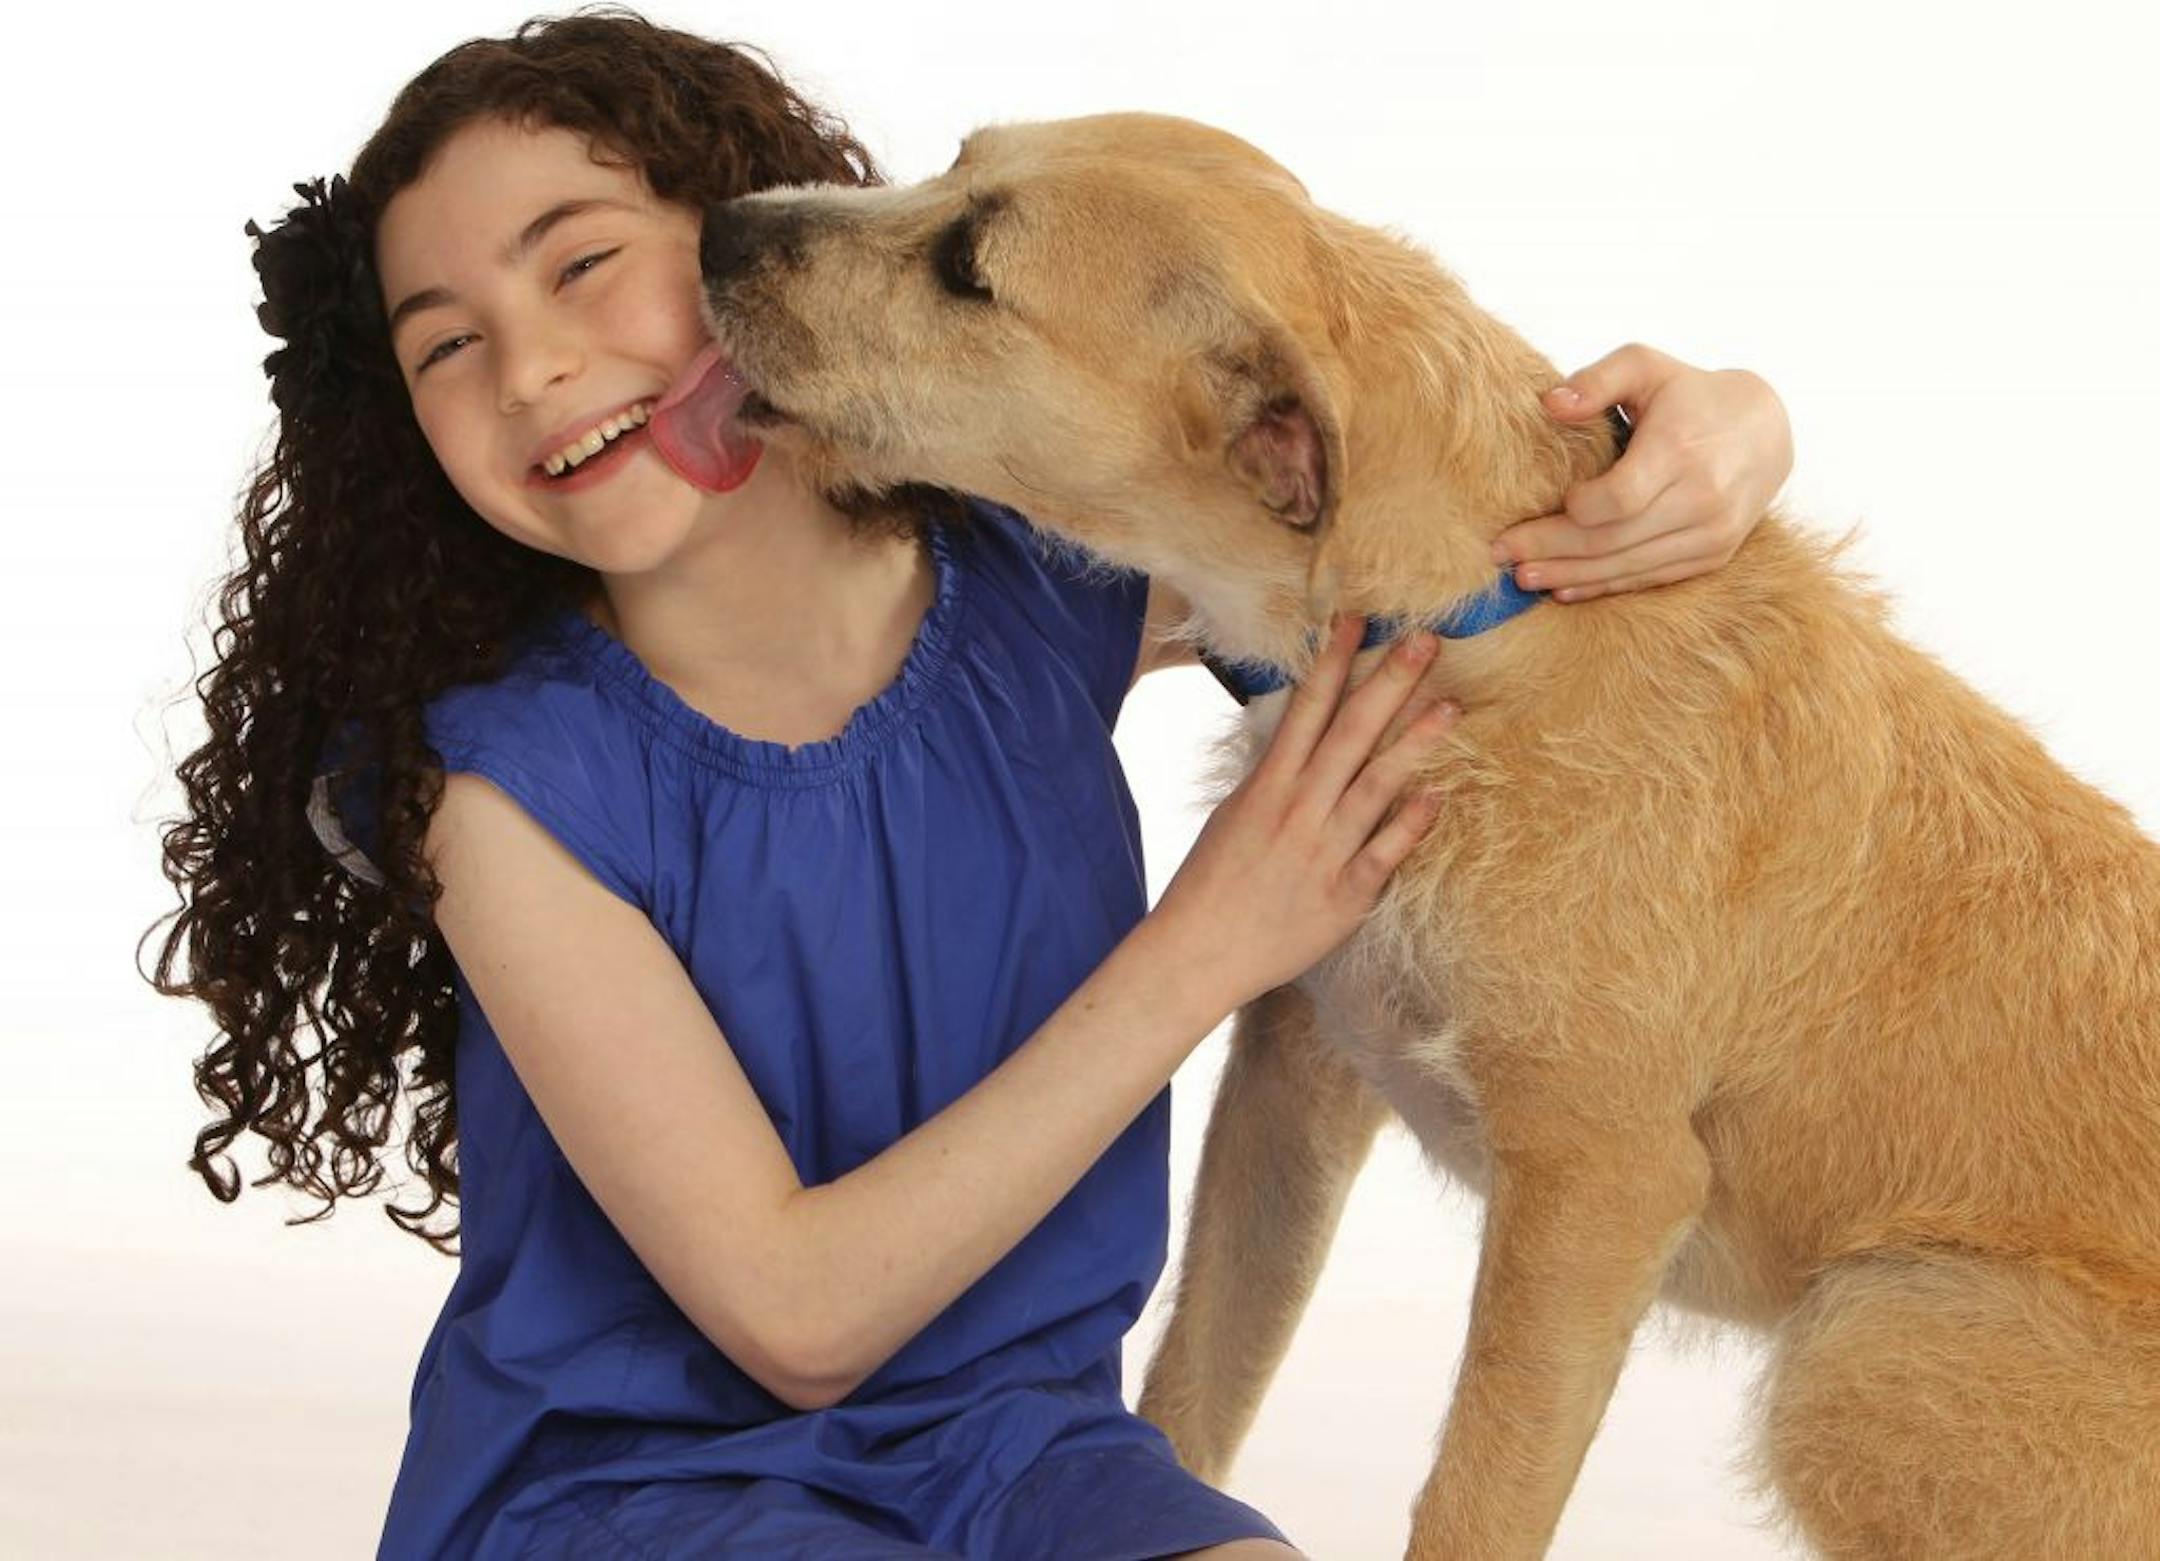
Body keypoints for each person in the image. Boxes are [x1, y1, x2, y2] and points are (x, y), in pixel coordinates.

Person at [148, 9, 1795, 1557]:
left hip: (1024, 1462)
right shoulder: (497, 795)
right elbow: (793, 1317)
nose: (530, 370)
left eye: (581, 266)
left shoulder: (1038, 587)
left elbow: (1413, 537)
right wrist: (1211, 941)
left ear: (752, 234)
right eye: (448, 350)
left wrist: (1726, 430)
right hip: (640, 1492)